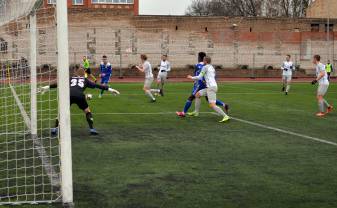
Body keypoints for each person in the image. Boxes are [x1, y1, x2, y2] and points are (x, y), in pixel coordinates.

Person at [39, 66, 120, 135]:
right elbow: (97, 86)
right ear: (84, 74)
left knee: (62, 112)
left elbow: (57, 84)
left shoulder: (70, 78)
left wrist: (46, 87)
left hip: (68, 95)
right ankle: (92, 129)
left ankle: (55, 129)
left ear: (76, 73)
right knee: (87, 111)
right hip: (80, 96)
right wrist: (111, 89)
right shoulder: (85, 80)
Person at [176, 52, 229, 117]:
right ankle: (223, 104)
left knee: (192, 98)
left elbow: (198, 76)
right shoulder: (211, 67)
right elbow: (213, 76)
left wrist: (191, 77)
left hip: (202, 85)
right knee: (199, 95)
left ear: (200, 58)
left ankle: (183, 112)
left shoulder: (199, 65)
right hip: (209, 85)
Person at [186, 56, 230, 123]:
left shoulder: (205, 67)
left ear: (205, 61)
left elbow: (199, 77)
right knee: (197, 95)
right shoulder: (212, 67)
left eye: (203, 60)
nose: (203, 62)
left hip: (211, 87)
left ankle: (225, 116)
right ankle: (196, 112)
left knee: (212, 105)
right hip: (212, 86)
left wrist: (191, 77)